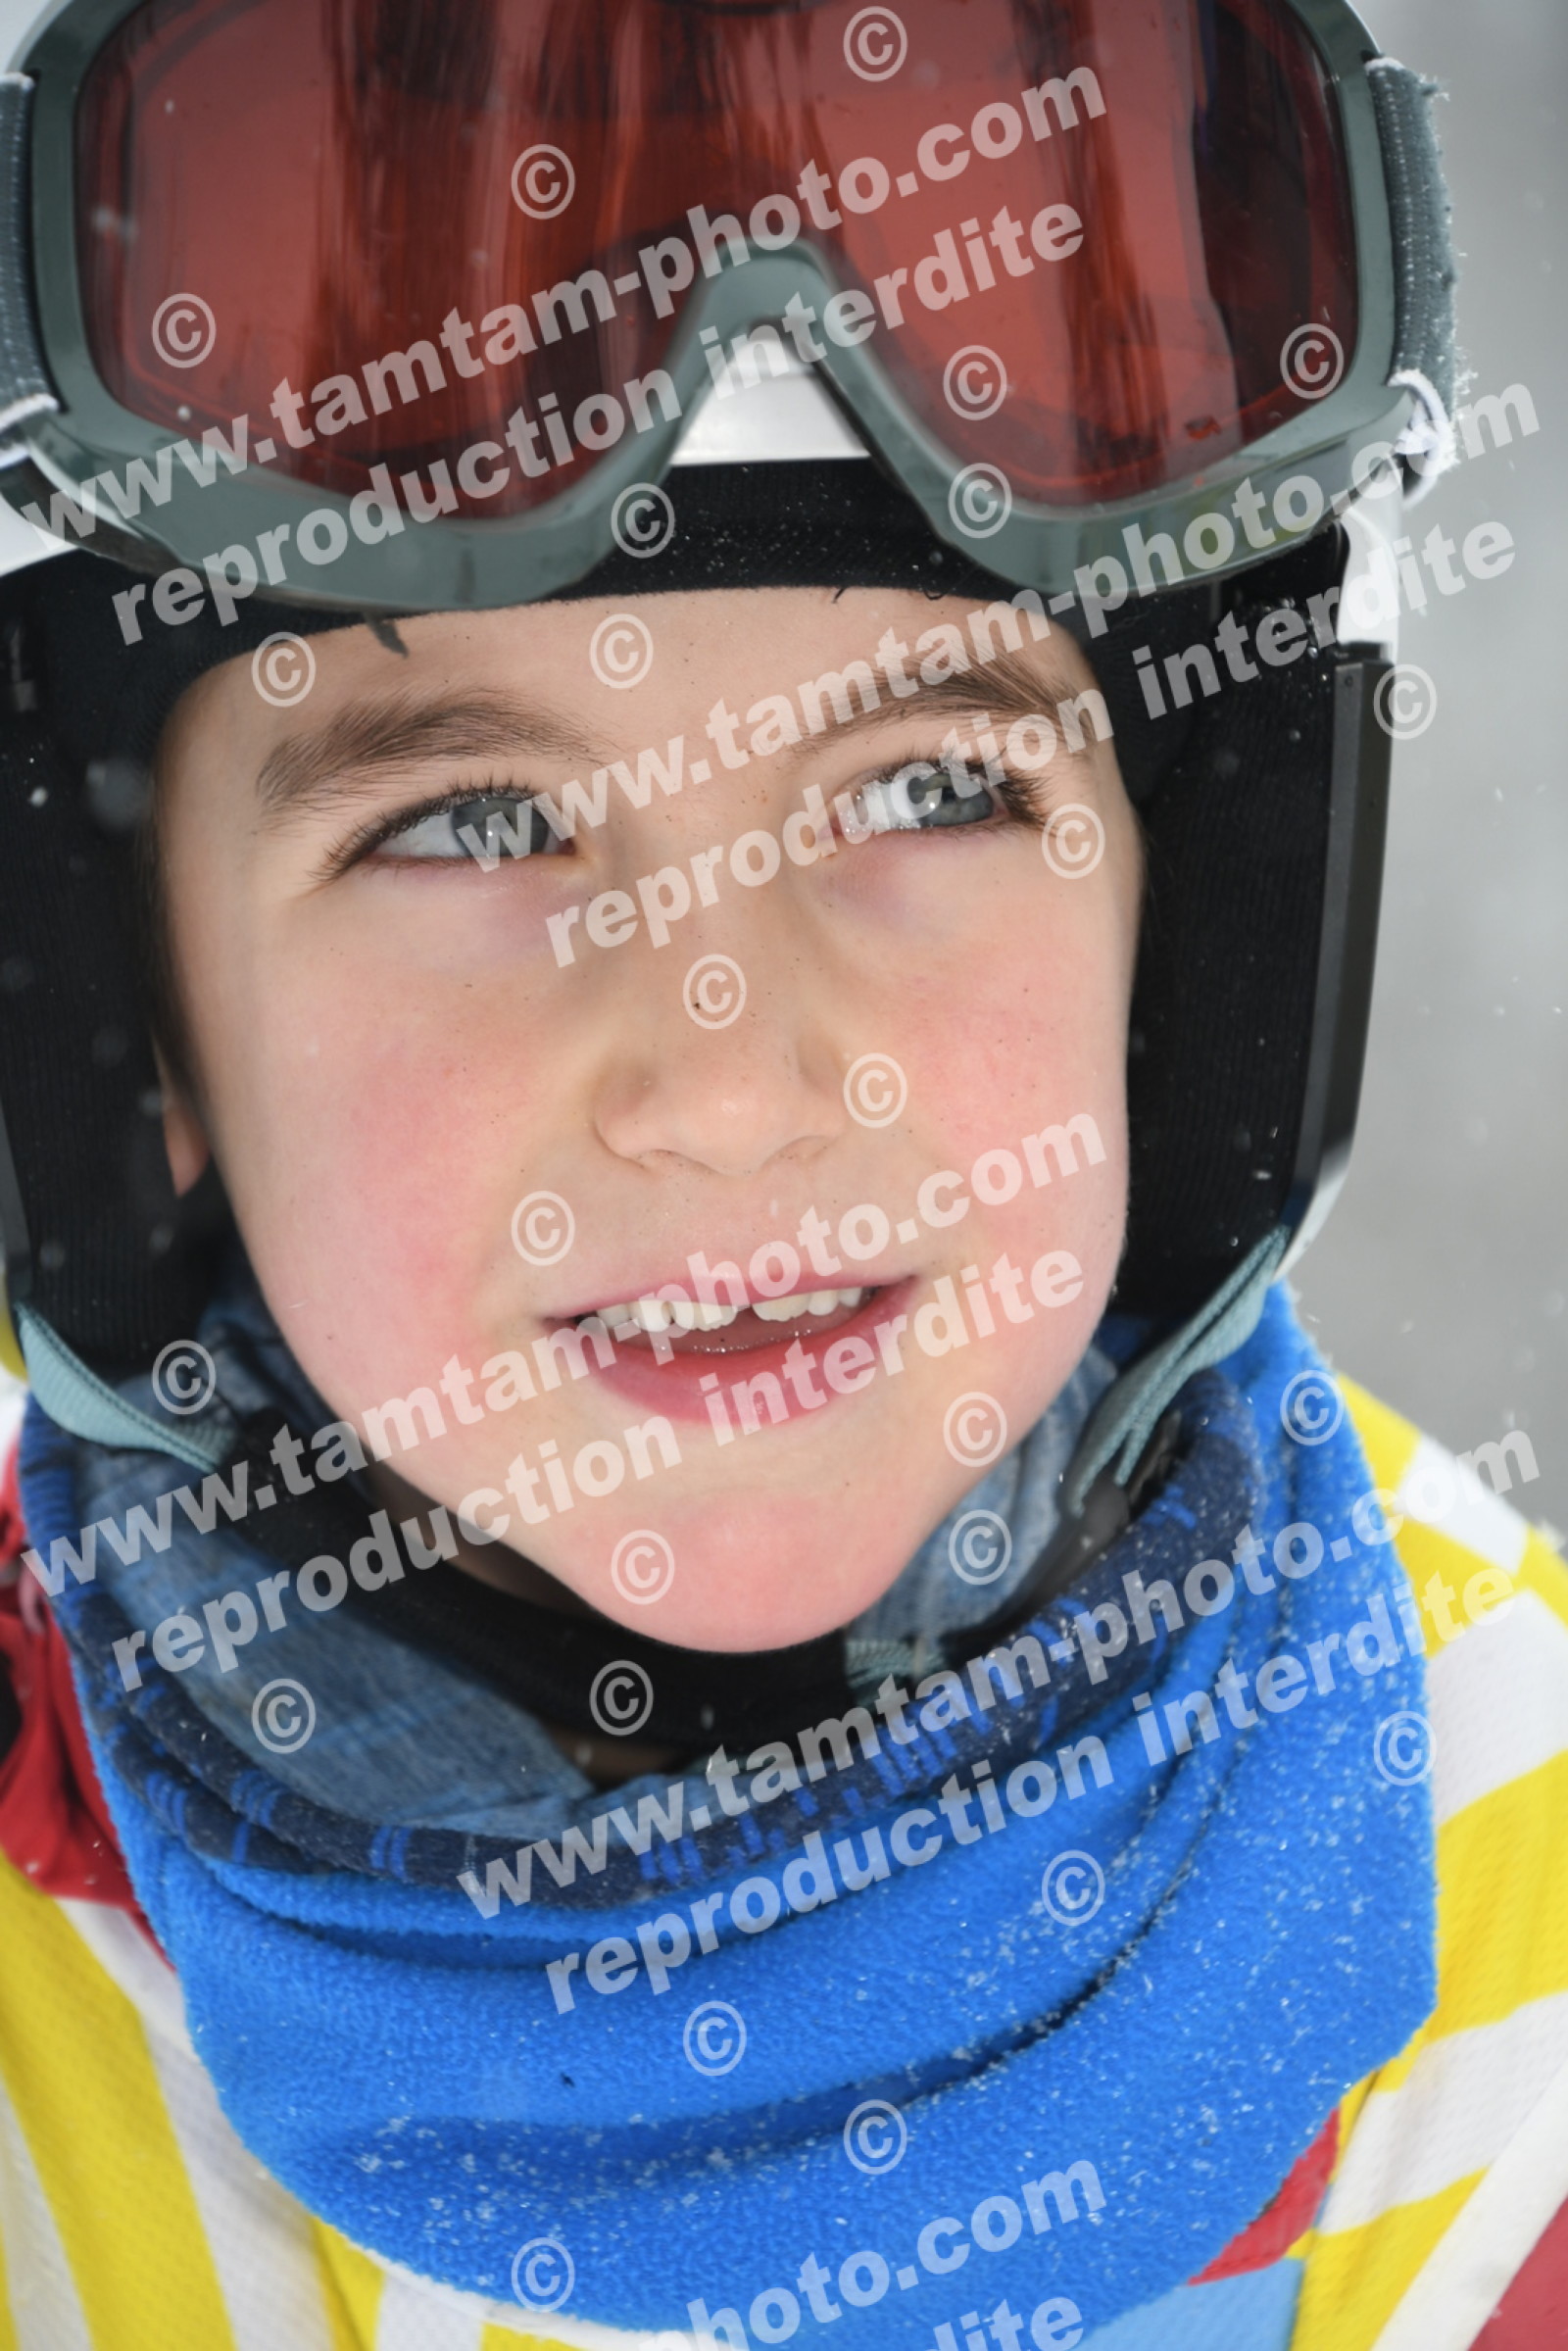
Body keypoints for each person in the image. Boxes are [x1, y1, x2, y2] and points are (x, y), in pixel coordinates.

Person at [0, 2, 1562, 2347]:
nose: (728, 1084)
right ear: (145, 1032)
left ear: (1181, 956)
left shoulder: (1523, 1935)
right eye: (475, 824)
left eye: (927, 791)